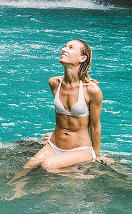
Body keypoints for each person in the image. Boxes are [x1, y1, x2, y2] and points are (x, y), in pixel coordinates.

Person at [12, 39, 115, 182]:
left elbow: (95, 125)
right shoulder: (54, 83)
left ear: (82, 58)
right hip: (55, 144)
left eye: (71, 48)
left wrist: (95, 155)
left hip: (80, 150)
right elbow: (63, 118)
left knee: (47, 165)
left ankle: (80, 172)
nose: (64, 49)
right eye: (65, 46)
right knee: (27, 167)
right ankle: (13, 190)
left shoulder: (92, 90)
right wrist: (55, 133)